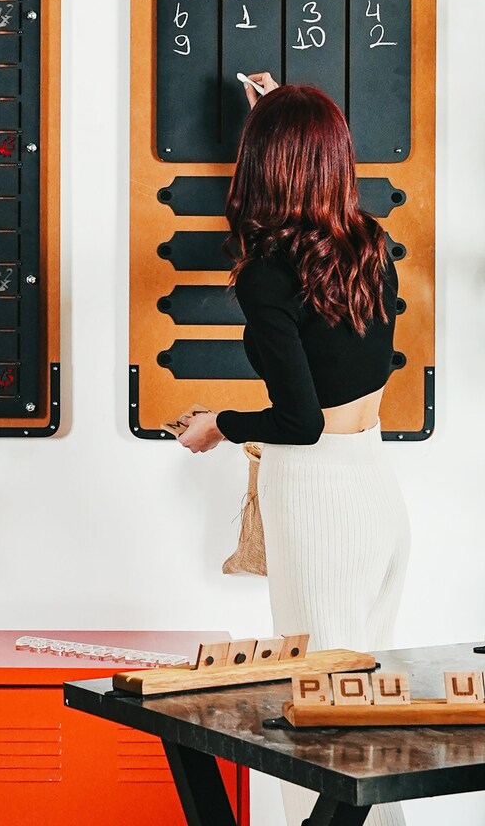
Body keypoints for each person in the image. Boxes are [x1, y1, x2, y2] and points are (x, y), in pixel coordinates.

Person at [176, 73, 410, 826]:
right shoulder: (372, 245)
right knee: (366, 718)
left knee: (320, 732)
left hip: (317, 498)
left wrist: (220, 424)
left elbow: (301, 424)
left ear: (260, 168)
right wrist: (286, 118)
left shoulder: (267, 278)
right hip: (376, 489)